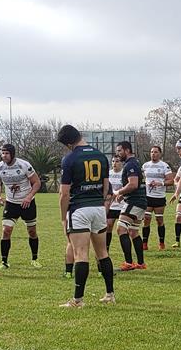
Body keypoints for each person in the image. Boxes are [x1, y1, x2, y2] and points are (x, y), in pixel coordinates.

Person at [57, 125, 116, 307]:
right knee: (102, 253)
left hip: (79, 209)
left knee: (80, 253)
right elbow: (107, 187)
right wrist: (101, 203)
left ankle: (77, 300)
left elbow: (64, 194)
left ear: (68, 143)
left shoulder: (70, 159)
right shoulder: (101, 155)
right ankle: (109, 294)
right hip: (98, 208)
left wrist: (63, 217)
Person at [0, 143, 42, 269]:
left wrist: (29, 197)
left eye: (6, 153)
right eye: (2, 153)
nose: (4, 155)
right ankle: (4, 262)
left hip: (27, 203)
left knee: (32, 231)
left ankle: (34, 259)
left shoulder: (24, 165)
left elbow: (36, 183)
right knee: (6, 231)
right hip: (11, 204)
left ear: (12, 154)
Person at [110, 141, 148, 270]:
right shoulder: (134, 163)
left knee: (121, 229)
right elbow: (133, 185)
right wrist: (123, 194)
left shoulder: (131, 164)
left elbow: (133, 184)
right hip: (139, 201)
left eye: (120, 151)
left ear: (127, 150)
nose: (118, 154)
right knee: (133, 232)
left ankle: (128, 263)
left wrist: (118, 192)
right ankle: (141, 263)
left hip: (135, 201)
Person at [141, 145, 172, 251]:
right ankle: (144, 243)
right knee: (146, 219)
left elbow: (171, 181)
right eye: (152, 152)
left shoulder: (164, 166)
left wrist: (160, 183)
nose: (153, 154)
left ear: (160, 153)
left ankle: (161, 243)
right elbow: (141, 180)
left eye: (155, 152)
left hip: (159, 197)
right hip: (148, 197)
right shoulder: (145, 166)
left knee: (159, 220)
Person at [105, 154, 126, 254]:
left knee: (124, 229)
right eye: (113, 161)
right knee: (108, 226)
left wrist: (121, 194)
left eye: (117, 161)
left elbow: (129, 187)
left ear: (122, 163)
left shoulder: (124, 174)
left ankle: (126, 251)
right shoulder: (108, 174)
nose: (114, 163)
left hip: (123, 205)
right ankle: (106, 249)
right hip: (111, 205)